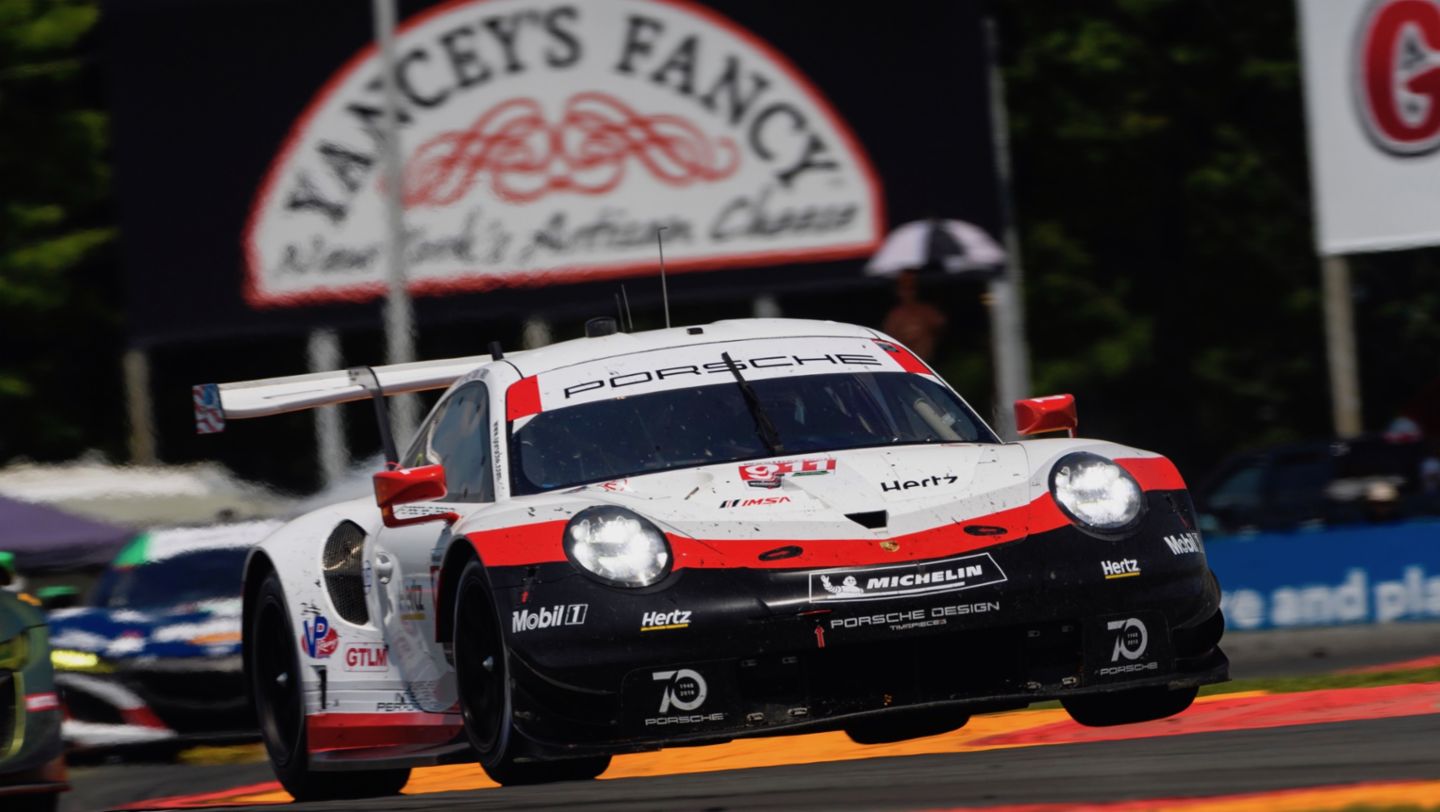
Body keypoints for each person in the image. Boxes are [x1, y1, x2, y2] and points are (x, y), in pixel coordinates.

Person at [882, 269, 946, 360]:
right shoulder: (895, 316)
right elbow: (888, 340)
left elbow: (940, 325)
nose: (908, 293)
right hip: (904, 359)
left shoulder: (927, 311)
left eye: (911, 288)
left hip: (927, 359)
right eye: (904, 288)